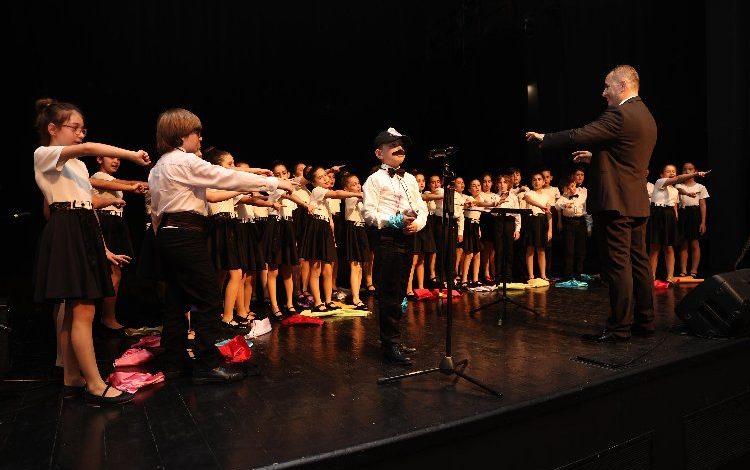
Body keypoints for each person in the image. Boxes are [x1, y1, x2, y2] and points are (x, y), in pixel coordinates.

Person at [148, 108, 296, 383]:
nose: (200, 138)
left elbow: (157, 212)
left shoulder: (158, 167)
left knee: (177, 300)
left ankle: (174, 360)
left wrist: (163, 238)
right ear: (181, 136)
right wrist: (273, 182)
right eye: (196, 133)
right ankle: (207, 364)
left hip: (168, 234)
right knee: (208, 298)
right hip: (185, 233)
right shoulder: (183, 161)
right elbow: (224, 176)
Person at [525, 64, 657, 342]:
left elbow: (580, 134)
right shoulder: (646, 115)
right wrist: (595, 158)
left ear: (622, 86)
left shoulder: (620, 113)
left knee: (618, 265)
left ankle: (619, 327)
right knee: (639, 262)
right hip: (636, 201)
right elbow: (626, 158)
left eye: (607, 86)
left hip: (616, 203)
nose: (603, 92)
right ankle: (645, 321)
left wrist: (545, 138)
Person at [33, 98, 150, 405]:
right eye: (75, 127)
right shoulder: (45, 154)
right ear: (52, 128)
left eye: (83, 129)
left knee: (76, 312)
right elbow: (87, 149)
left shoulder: (77, 166)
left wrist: (103, 249)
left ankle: (72, 378)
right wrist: (131, 155)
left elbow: (88, 205)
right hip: (66, 227)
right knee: (82, 309)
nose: (80, 134)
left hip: (82, 227)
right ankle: (95, 384)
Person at [362, 127, 428, 364]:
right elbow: (369, 214)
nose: (400, 149)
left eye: (401, 145)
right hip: (387, 239)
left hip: (407, 238)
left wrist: (416, 224)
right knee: (389, 292)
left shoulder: (409, 179)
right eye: (393, 146)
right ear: (379, 153)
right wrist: (394, 220)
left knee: (400, 291)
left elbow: (422, 207)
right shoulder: (374, 180)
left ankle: (394, 339)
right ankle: (390, 344)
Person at [90, 156, 149, 333]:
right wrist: (138, 186)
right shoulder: (98, 177)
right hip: (106, 223)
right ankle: (107, 318)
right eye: (111, 158)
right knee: (111, 272)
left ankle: (107, 316)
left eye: (118, 159)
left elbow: (127, 183)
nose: (116, 161)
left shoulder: (112, 179)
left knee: (116, 272)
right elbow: (127, 184)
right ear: (99, 159)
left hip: (116, 223)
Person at [298, 165, 362, 311]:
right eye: (320, 177)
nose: (325, 179)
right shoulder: (318, 191)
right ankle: (318, 302)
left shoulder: (324, 194)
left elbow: (330, 220)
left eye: (325, 175)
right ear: (314, 182)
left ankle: (328, 300)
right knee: (316, 268)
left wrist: (332, 237)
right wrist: (359, 195)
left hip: (325, 228)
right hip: (316, 228)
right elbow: (337, 193)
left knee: (328, 269)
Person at [648, 164, 710, 285]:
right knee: (654, 247)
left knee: (669, 247)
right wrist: (696, 174)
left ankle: (670, 276)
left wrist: (675, 220)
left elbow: (675, 207)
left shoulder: (675, 190)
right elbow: (677, 179)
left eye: (673, 171)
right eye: (668, 171)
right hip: (657, 214)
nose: (671, 173)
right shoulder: (660, 182)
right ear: (661, 174)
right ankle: (652, 276)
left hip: (669, 215)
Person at [675, 162, 709, 278]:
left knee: (695, 243)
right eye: (685, 169)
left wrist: (703, 222)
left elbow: (703, 205)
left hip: (695, 215)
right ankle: (683, 270)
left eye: (690, 169)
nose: (687, 171)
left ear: (695, 171)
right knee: (683, 243)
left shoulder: (700, 187)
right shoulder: (678, 186)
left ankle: (694, 270)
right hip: (683, 214)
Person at [554, 176, 589, 288]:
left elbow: (586, 212)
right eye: (568, 188)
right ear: (564, 189)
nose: (572, 189)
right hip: (568, 223)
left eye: (573, 186)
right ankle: (568, 275)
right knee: (569, 250)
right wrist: (565, 204)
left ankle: (578, 274)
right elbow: (557, 206)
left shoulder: (582, 195)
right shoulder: (563, 198)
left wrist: (589, 227)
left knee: (580, 250)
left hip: (580, 222)